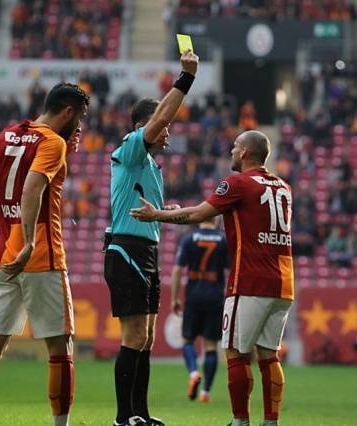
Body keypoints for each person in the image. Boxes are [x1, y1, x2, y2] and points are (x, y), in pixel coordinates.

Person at [132, 130, 294, 426]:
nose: (231, 151)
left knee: (235, 353)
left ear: (244, 153)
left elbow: (198, 215)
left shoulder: (238, 183)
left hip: (250, 281)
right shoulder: (283, 186)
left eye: (235, 146)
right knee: (269, 355)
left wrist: (157, 215)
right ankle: (271, 422)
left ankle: (240, 421)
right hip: (282, 282)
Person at [0, 83, 89, 426]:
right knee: (60, 347)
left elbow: (25, 171)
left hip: (2, 254)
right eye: (80, 116)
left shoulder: (7, 135)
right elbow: (32, 188)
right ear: (67, 112)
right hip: (40, 254)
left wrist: (63, 153)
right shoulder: (53, 143)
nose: (81, 124)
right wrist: (29, 243)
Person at [103, 49, 199, 426]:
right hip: (126, 249)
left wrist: (168, 211)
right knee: (133, 336)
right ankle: (122, 417)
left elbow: (152, 214)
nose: (168, 129)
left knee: (146, 338)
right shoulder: (129, 148)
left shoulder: (151, 168)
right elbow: (161, 117)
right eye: (163, 124)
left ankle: (140, 414)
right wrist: (186, 78)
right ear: (144, 126)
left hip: (147, 251)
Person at [170, 217, 229, 403]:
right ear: (216, 219)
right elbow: (231, 269)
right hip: (215, 296)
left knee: (188, 340)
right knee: (211, 345)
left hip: (194, 296)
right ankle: (206, 393)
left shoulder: (189, 239)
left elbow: (177, 269)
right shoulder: (224, 240)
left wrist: (174, 298)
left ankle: (194, 373)